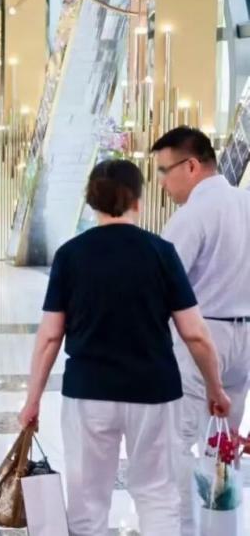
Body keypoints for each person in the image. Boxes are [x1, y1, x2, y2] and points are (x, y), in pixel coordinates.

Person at [17, 160, 231, 536]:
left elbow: (50, 336)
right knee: (157, 495)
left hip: (89, 392)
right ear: (137, 200)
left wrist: (32, 400)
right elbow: (195, 334)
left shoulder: (71, 255)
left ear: (91, 201)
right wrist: (216, 388)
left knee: (87, 501)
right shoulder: (161, 252)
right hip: (154, 392)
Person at [151, 126, 250, 536]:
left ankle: (183, 528)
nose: (162, 182)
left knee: (179, 438)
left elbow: (161, 284)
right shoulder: (246, 203)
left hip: (199, 335)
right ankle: (221, 526)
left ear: (191, 166)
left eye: (164, 171)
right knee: (224, 440)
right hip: (245, 337)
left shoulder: (192, 215)